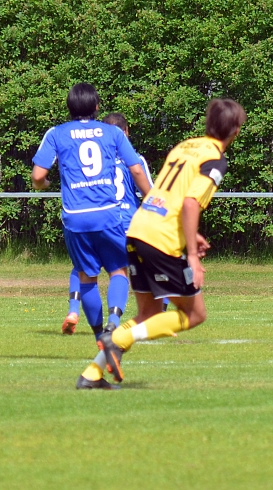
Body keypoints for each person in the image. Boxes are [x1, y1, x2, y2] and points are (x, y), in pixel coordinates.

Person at [76, 98, 247, 390]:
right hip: (161, 239)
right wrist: (192, 256)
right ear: (235, 130)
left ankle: (92, 374)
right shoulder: (215, 159)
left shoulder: (184, 146)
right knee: (194, 314)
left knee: (149, 315)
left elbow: (170, 195)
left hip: (139, 228)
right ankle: (117, 338)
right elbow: (191, 202)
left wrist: (189, 234)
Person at [32, 84, 152, 341]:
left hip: (75, 217)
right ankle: (113, 322)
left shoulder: (56, 133)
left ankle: (99, 336)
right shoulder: (112, 133)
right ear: (97, 106)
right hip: (108, 214)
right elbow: (138, 171)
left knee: (86, 275)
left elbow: (38, 176)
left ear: (69, 107)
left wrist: (44, 185)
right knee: (118, 271)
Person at [61, 112, 157, 334]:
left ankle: (74, 310)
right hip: (126, 224)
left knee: (82, 268)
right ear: (126, 132)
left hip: (97, 219)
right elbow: (149, 192)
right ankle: (144, 317)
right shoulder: (134, 159)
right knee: (127, 271)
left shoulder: (96, 158)